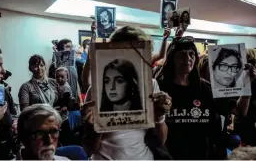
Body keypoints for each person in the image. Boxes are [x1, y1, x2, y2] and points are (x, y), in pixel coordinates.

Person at [81, 26, 172, 160]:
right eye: (120, 52)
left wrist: (159, 117)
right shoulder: (96, 89)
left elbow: (160, 140)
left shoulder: (150, 85)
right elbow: (89, 150)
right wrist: (91, 127)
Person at [156, 36, 227, 159]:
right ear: (173, 58)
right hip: (169, 155)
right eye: (182, 54)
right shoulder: (160, 87)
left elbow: (237, 113)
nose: (188, 58)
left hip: (200, 154)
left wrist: (246, 84)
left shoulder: (205, 88)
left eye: (191, 54)